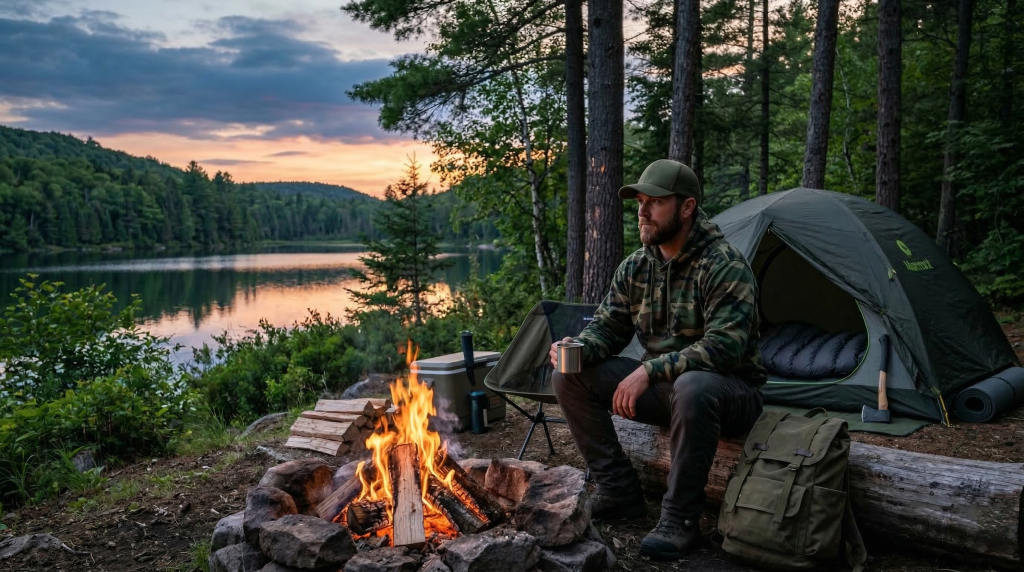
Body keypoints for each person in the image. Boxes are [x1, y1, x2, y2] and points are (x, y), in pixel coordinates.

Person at [550, 159, 767, 561]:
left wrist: (649, 370)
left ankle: (680, 519)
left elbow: (725, 348)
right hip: (670, 392)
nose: (643, 212)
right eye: (640, 202)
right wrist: (577, 347)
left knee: (693, 385)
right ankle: (618, 490)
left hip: (730, 394)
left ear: (687, 208)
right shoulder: (636, 267)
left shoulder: (724, 265)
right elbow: (607, 328)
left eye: (656, 202)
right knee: (569, 375)